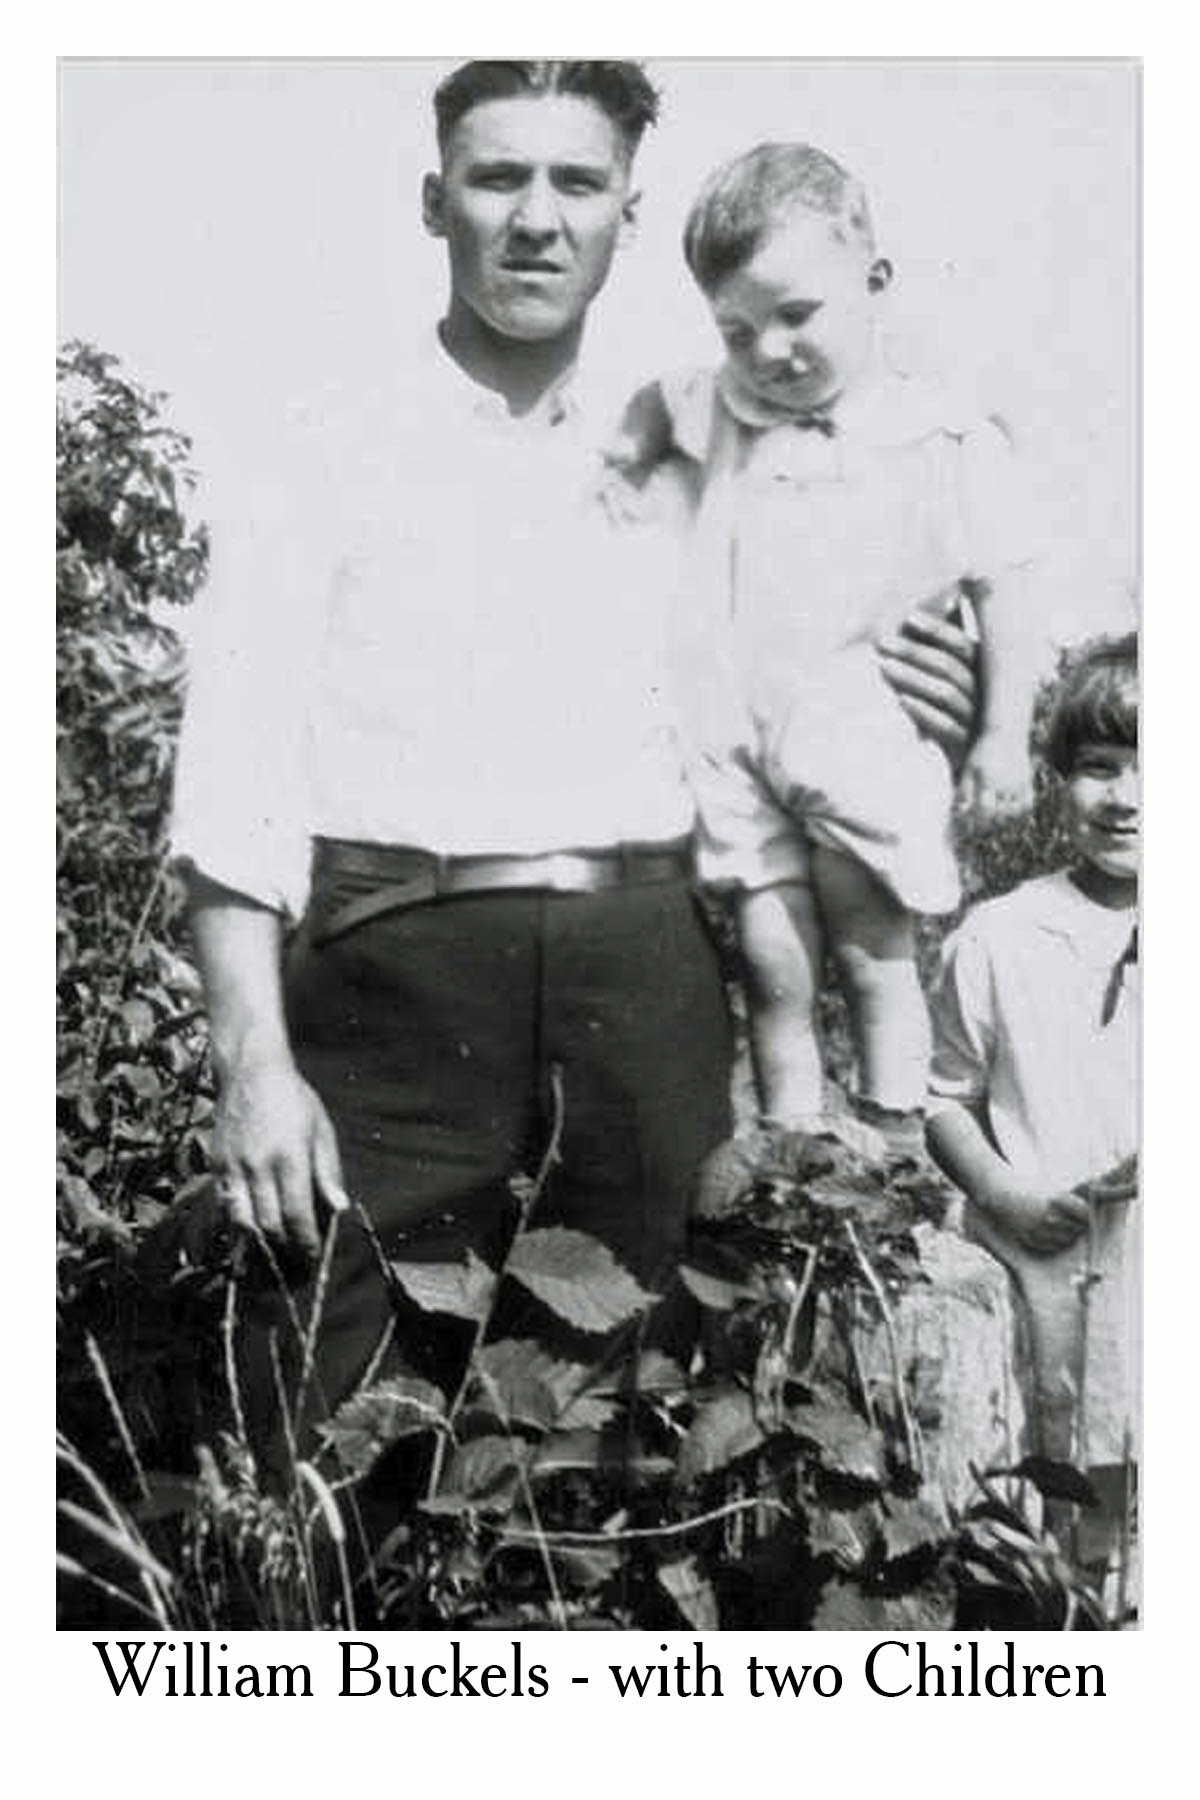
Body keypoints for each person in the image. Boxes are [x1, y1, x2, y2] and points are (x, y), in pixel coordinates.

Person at [171, 63, 982, 1472]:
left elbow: (818, 682)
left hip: (640, 981)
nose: (536, 219)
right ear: (435, 202)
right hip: (391, 981)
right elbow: (236, 778)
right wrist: (252, 1063)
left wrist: (938, 699)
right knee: (319, 1438)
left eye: (577, 183)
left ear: (627, 216)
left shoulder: (707, 444)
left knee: (631, 1438)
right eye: (498, 179)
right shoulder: (321, 445)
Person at [622, 143, 1046, 1138]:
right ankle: (793, 1151)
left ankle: (891, 1141)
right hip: (735, 738)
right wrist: (625, 456)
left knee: (869, 943)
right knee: (773, 959)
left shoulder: (941, 434)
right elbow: (647, 414)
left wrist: (1001, 734)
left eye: (797, 314)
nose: (769, 350)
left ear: (875, 280)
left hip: (865, 727)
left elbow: (1008, 583)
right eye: (737, 330)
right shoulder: (723, 410)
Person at [926, 635, 1139, 1584]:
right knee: (1068, 1511)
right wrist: (1004, 1193)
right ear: (1058, 779)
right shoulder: (1002, 937)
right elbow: (947, 1101)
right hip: (1049, 1267)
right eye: (1100, 766)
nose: (1127, 796)